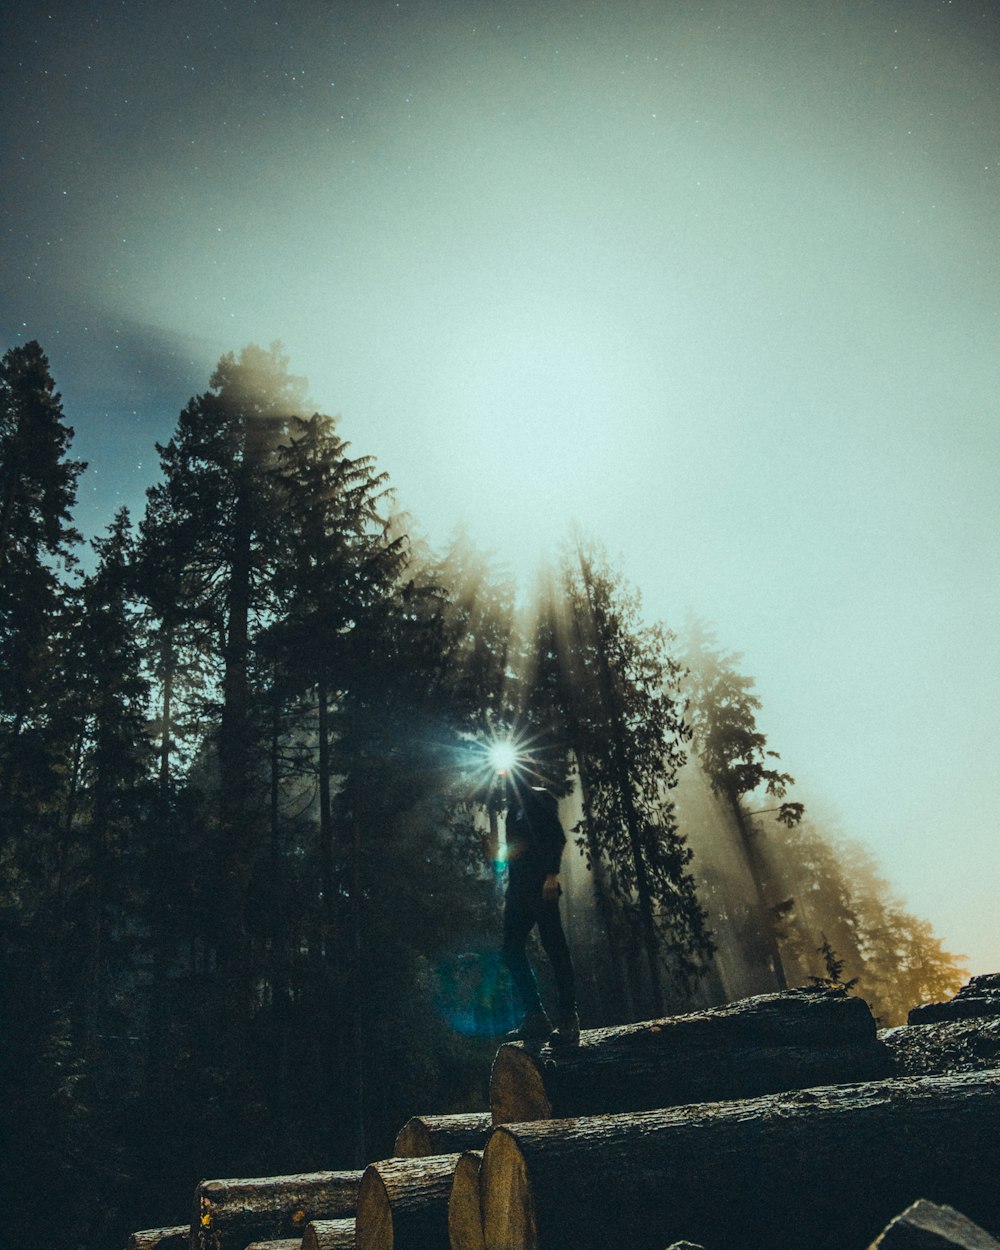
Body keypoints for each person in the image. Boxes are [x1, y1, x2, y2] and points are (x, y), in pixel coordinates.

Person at [501, 778, 579, 1045]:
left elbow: (555, 837)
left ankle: (568, 1018)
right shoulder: (513, 810)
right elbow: (514, 852)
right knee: (511, 950)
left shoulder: (541, 798)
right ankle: (535, 1016)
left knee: (555, 947)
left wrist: (551, 874)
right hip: (519, 891)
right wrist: (508, 887)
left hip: (541, 887)